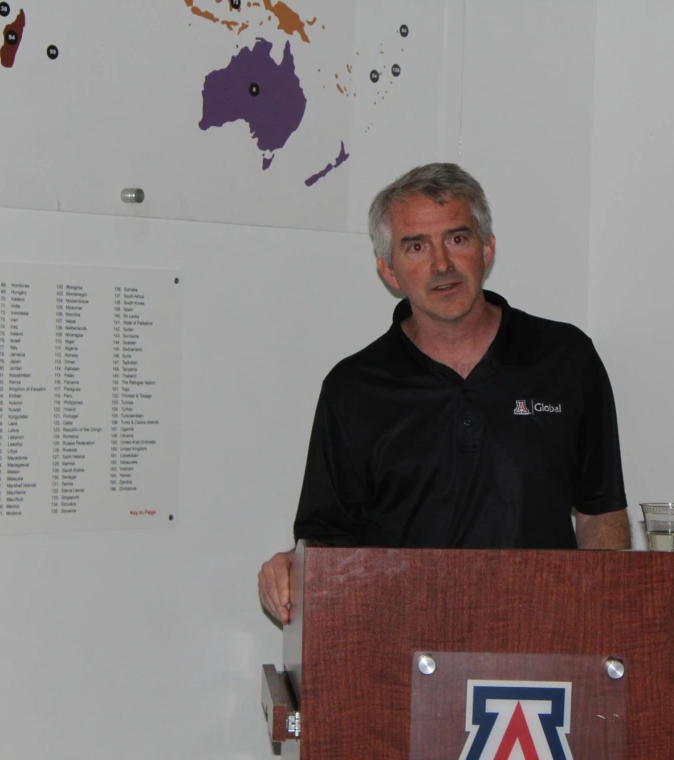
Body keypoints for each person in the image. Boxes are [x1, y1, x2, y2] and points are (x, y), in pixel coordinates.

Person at [258, 163, 630, 623]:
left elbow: (600, 515)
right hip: (401, 652)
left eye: (457, 239)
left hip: (542, 648)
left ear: (486, 249)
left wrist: (603, 621)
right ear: (389, 270)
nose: (441, 265)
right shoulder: (353, 388)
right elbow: (327, 543)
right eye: (416, 247)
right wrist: (292, 567)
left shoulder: (566, 359)